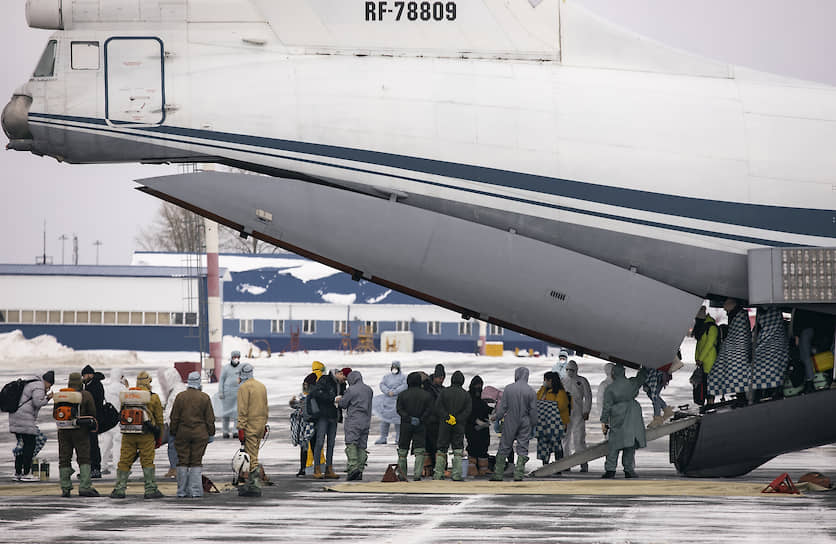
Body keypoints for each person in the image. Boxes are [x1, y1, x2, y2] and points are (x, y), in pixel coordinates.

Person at [110, 370, 164, 499]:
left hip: (128, 434)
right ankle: (150, 489)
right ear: (148, 382)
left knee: (124, 460)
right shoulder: (153, 397)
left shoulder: (128, 396)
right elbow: (160, 420)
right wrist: (159, 436)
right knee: (147, 461)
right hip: (146, 434)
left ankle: (119, 489)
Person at [170, 371, 215, 498]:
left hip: (182, 434)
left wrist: (173, 432)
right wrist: (211, 433)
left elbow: (174, 417)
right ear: (199, 382)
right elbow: (209, 419)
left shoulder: (180, 397)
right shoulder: (204, 397)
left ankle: (181, 491)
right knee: (196, 461)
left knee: (182, 461)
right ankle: (195, 491)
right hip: (200, 434)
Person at [600, 363, 647, 478]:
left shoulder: (610, 388)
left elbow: (606, 406)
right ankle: (628, 469)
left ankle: (610, 470)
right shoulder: (631, 383)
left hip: (618, 416)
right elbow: (641, 378)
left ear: (613, 374)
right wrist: (645, 368)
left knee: (614, 445)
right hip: (633, 415)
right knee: (630, 445)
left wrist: (604, 421)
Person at [491, 367, 538, 482]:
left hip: (510, 420)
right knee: (522, 447)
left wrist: (496, 417)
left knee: (505, 446)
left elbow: (502, 408)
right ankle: (519, 474)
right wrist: (533, 424)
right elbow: (533, 411)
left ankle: (498, 473)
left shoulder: (508, 388)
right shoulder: (531, 391)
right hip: (525, 421)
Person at [56, 372, 99, 497]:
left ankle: (65, 488)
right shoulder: (85, 395)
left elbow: (56, 412)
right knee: (84, 458)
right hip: (80, 431)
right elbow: (93, 412)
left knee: (64, 458)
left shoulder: (61, 395)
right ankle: (85, 487)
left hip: (63, 431)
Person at [9, 370, 53, 481]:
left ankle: (18, 472)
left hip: (16, 417)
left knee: (21, 445)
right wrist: (47, 398)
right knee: (30, 445)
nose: (49, 387)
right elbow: (37, 402)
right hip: (24, 419)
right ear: (47, 382)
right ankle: (26, 473)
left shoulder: (30, 383)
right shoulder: (38, 386)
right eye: (50, 385)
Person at [707, 298, 752, 401]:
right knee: (737, 376)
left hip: (738, 353)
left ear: (732, 304)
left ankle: (742, 398)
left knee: (737, 376)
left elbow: (739, 335)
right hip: (738, 353)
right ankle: (741, 397)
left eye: (725, 305)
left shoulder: (738, 316)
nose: (723, 307)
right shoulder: (736, 315)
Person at [236, 363, 268, 497]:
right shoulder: (261, 386)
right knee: (255, 453)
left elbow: (243, 410)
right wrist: (264, 424)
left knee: (251, 457)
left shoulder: (244, 387)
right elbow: (265, 407)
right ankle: (251, 484)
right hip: (260, 425)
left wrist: (241, 427)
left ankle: (254, 485)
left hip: (250, 425)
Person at [310, 367, 348, 480]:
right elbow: (317, 393)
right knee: (320, 441)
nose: (344, 380)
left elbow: (342, 396)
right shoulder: (325, 379)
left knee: (331, 443)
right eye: (343, 378)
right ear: (339, 374)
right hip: (323, 415)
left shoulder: (342, 384)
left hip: (334, 416)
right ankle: (317, 468)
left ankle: (329, 468)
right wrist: (333, 398)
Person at [434, 370, 471, 481]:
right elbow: (468, 410)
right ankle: (457, 474)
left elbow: (438, 407)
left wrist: (447, 417)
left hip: (445, 424)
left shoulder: (444, 392)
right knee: (458, 449)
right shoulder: (466, 394)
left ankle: (438, 473)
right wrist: (457, 419)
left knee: (441, 449)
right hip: (459, 425)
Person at [396, 371, 434, 480]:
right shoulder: (426, 395)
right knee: (420, 450)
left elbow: (399, 409)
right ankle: (417, 474)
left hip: (406, 425)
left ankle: (402, 474)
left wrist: (408, 418)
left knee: (403, 450)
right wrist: (420, 419)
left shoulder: (402, 394)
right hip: (420, 425)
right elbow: (429, 410)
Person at [338, 370, 373, 480]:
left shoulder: (351, 390)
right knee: (362, 446)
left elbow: (343, 404)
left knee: (351, 444)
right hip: (366, 420)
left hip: (353, 420)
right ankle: (361, 469)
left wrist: (339, 400)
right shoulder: (369, 390)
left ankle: (353, 468)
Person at [791, 309, 836, 394]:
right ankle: (813, 382)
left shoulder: (800, 306)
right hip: (816, 331)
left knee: (805, 356)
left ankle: (810, 383)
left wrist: (796, 335)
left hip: (805, 329)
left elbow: (798, 318)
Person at [750, 306, 790, 401]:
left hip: (764, 350)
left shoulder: (761, 317)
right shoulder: (776, 315)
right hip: (778, 348)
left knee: (759, 372)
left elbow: (755, 333)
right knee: (777, 370)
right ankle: (776, 391)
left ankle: (759, 395)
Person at [562, 360, 592, 472]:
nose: (570, 372)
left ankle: (583, 463)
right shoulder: (563, 381)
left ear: (576, 370)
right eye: (568, 369)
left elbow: (588, 397)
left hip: (578, 412)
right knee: (565, 438)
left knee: (579, 438)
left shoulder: (582, 381)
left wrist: (586, 411)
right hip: (566, 412)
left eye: (572, 370)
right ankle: (566, 463)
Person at [158, 367, 187, 479]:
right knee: (174, 447)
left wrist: (168, 420)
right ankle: (175, 468)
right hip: (177, 424)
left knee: (173, 447)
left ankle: (175, 468)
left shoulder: (177, 391)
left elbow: (174, 409)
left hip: (176, 425)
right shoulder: (177, 389)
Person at [535, 371, 570, 467]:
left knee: (556, 444)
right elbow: (536, 400)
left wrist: (545, 405)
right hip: (544, 422)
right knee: (544, 444)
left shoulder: (560, 392)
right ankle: (545, 465)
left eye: (545, 380)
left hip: (557, 423)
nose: (544, 382)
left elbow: (561, 406)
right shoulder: (543, 390)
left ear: (551, 380)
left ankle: (559, 465)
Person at [100, 368, 128, 476]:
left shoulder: (107, 389)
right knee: (118, 444)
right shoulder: (123, 389)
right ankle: (117, 466)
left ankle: (103, 465)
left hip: (107, 420)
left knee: (105, 444)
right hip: (118, 420)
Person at [290, 373, 319, 477]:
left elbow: (295, 405)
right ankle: (313, 469)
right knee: (312, 446)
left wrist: (294, 402)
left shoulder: (307, 395)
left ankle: (305, 468)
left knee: (307, 446)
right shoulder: (313, 394)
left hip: (306, 424)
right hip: (310, 423)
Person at [373, 361, 407, 445]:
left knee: (398, 421)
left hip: (397, 401)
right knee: (384, 420)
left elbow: (404, 386)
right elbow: (382, 385)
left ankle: (399, 438)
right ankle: (383, 437)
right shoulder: (386, 377)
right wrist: (387, 391)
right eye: (393, 367)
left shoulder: (403, 377)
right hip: (387, 401)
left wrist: (395, 391)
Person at [80, 365, 105, 479]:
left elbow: (95, 403)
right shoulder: (89, 385)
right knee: (88, 444)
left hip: (94, 419)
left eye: (84, 375)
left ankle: (95, 468)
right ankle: (89, 469)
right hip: (88, 419)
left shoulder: (95, 386)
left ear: (90, 374)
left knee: (93, 444)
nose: (83, 377)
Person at [465, 375, 492, 476]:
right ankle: (472, 469)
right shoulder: (468, 397)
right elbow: (466, 412)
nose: (478, 387)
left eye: (480, 385)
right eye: (476, 385)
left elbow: (485, 408)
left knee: (483, 448)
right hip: (471, 428)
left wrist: (494, 411)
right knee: (473, 448)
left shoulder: (482, 397)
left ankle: (483, 469)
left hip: (483, 429)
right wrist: (475, 421)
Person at [692, 306, 719, 405]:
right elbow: (699, 344)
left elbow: (709, 344)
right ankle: (705, 403)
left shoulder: (711, 327)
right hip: (702, 361)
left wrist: (700, 358)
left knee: (709, 383)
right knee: (703, 383)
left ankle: (710, 403)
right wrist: (697, 358)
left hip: (710, 360)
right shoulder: (702, 327)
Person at [422, 364, 445, 477]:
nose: (441, 380)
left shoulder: (439, 389)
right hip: (429, 424)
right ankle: (430, 470)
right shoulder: (429, 389)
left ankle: (433, 469)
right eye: (439, 378)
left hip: (437, 424)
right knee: (431, 448)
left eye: (442, 378)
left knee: (435, 448)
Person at [216, 350, 242, 439]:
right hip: (227, 394)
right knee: (225, 414)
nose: (236, 359)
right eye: (235, 357)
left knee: (237, 413)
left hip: (238, 394)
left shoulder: (242, 368)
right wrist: (221, 392)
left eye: (238, 357)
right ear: (231, 358)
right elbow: (221, 380)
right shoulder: (226, 368)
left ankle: (235, 431)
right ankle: (225, 431)